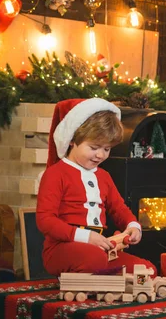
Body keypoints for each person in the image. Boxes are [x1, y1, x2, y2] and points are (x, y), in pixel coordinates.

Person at [36, 98, 156, 276]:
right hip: (60, 249)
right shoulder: (55, 174)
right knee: (95, 259)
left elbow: (119, 208)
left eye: (107, 149)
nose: (100, 155)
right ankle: (98, 278)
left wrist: (133, 226)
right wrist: (87, 237)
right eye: (94, 147)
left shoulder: (103, 176)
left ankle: (100, 279)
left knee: (147, 270)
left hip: (100, 250)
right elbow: (45, 220)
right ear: (72, 140)